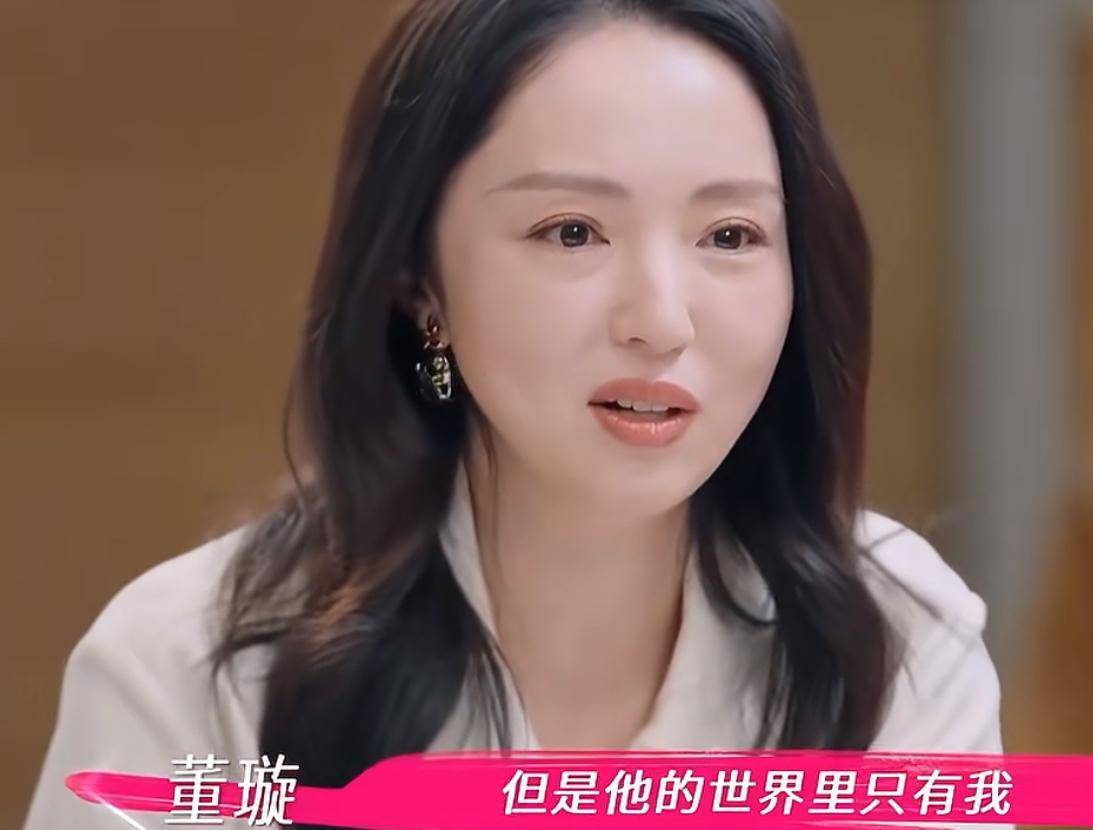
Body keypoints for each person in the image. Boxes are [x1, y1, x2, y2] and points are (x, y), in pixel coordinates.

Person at [23, 1, 1004, 827]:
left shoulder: (893, 642)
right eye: (571, 231)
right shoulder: (192, 670)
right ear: (419, 281)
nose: (661, 321)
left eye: (730, 234)